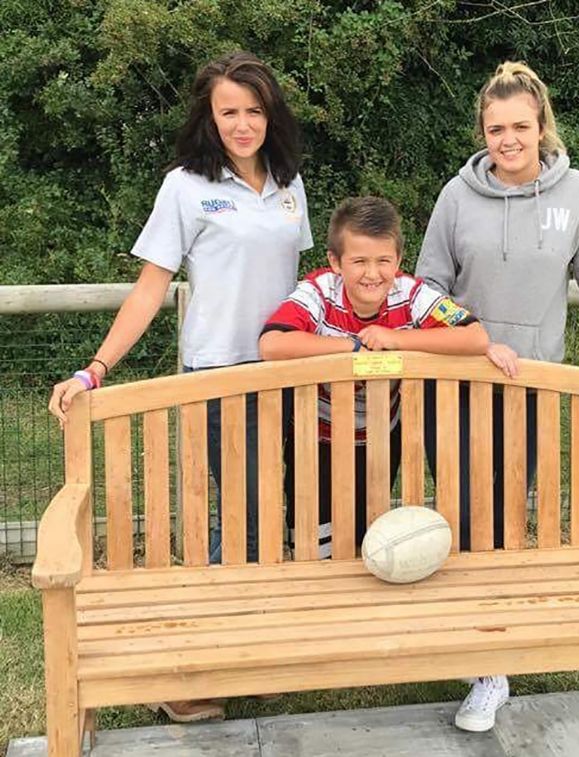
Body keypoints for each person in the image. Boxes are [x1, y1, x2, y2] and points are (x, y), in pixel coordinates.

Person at [47, 51, 313, 722]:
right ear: (210, 116)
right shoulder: (185, 187)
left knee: (262, 517)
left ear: (271, 114)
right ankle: (187, 672)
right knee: (233, 520)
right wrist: (95, 367)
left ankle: (237, 653)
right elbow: (149, 290)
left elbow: (300, 287)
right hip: (215, 379)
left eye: (255, 110)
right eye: (230, 111)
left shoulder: (289, 182)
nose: (243, 123)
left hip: (287, 376)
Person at [415, 61, 579, 733]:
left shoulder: (578, 193)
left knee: (504, 519)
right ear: (482, 131)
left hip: (533, 389)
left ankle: (492, 663)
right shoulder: (455, 196)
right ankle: (479, 650)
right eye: (496, 128)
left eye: (520, 126)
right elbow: (426, 289)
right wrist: (469, 337)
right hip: (457, 388)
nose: (508, 139)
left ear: (541, 126)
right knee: (463, 517)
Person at [260, 196, 489, 553]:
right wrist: (350, 347)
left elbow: (475, 336)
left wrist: (395, 338)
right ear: (335, 262)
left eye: (384, 261)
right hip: (318, 438)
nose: (372, 273)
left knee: (372, 539)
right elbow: (272, 343)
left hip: (382, 436)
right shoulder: (318, 291)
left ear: (398, 260)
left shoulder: (410, 292)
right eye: (359, 261)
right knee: (316, 542)